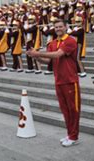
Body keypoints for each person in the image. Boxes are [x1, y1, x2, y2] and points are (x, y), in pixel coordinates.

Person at [27, 19, 81, 147]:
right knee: (65, 110)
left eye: (60, 26)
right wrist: (36, 56)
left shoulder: (70, 41)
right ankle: (69, 134)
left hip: (70, 80)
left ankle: (74, 136)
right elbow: (48, 61)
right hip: (59, 80)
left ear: (66, 27)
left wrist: (38, 52)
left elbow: (58, 55)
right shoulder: (53, 43)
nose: (58, 29)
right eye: (56, 27)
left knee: (73, 110)